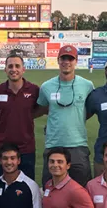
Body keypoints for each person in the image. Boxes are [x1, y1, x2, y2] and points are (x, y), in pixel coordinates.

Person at [36, 46, 94, 187]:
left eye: (70, 58)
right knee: (51, 189)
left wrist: (76, 118)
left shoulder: (87, 85)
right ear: (58, 60)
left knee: (82, 190)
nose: (66, 62)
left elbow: (91, 109)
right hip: (54, 144)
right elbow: (43, 108)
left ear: (76, 61)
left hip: (78, 145)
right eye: (63, 58)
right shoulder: (46, 86)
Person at [0, 54, 40, 180]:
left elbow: (42, 109)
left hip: (26, 148)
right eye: (10, 66)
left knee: (28, 186)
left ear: (23, 69)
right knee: (5, 185)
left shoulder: (34, 90)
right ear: (5, 69)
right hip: (4, 147)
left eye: (17, 66)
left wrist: (27, 116)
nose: (14, 69)